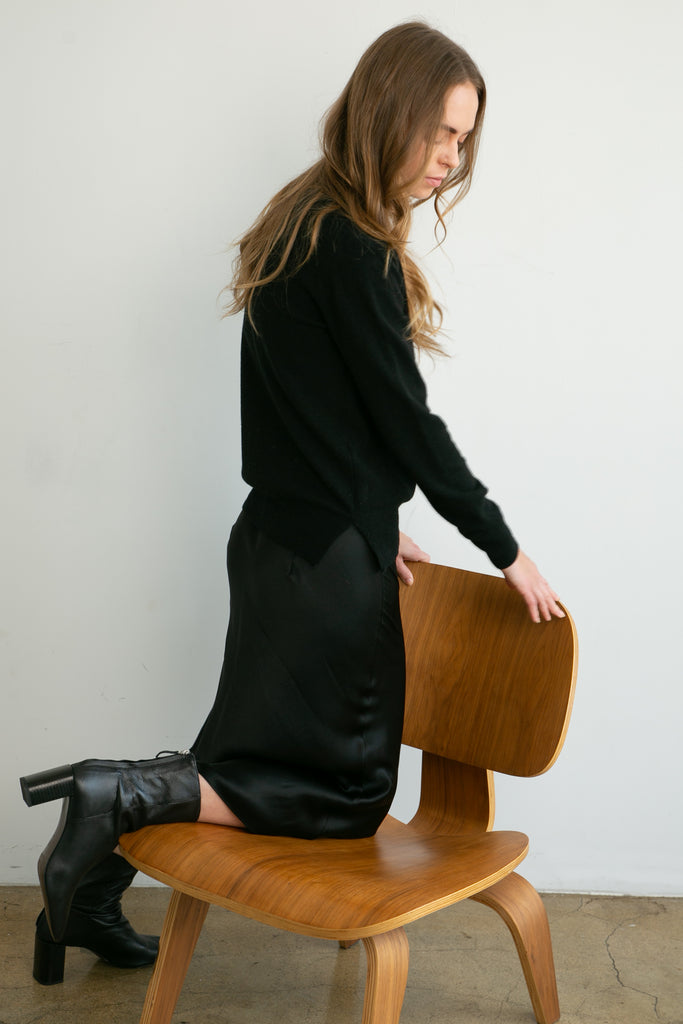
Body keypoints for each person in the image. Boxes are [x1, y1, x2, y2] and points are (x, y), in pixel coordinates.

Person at [19, 21, 564, 986]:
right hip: (327, 574)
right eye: (440, 130)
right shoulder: (350, 245)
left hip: (276, 543)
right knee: (345, 794)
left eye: (463, 140)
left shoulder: (297, 217)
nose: (451, 157)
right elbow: (406, 425)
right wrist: (502, 547)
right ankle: (114, 795)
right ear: (389, 108)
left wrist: (370, 512)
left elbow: (301, 414)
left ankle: (91, 887)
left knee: (237, 756)